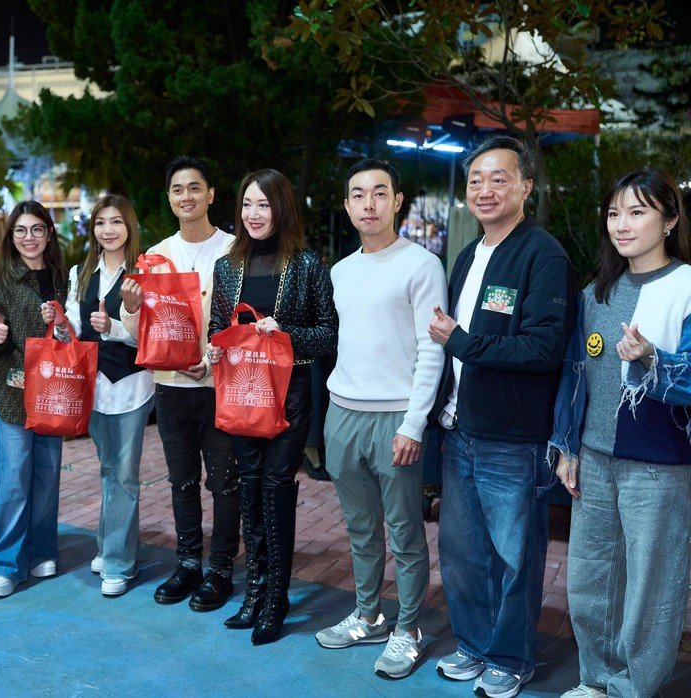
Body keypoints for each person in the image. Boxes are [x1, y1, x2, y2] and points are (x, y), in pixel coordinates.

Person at [550, 170, 691, 698]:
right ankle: (596, 680)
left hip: (657, 462)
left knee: (651, 584)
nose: (622, 224)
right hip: (593, 457)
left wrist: (651, 359)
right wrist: (566, 447)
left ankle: (633, 688)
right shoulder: (594, 292)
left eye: (637, 212)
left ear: (669, 220)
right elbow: (575, 376)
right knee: (589, 578)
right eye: (614, 213)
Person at [427, 135, 575, 698]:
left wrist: (461, 341)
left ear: (525, 187)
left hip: (513, 438)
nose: (485, 190)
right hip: (461, 429)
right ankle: (473, 646)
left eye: (499, 178)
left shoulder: (543, 255)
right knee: (462, 553)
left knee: (515, 556)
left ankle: (512, 658)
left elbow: (543, 348)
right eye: (476, 180)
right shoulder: (469, 254)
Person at [313, 159, 446, 678]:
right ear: (347, 206)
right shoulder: (340, 271)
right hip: (343, 413)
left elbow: (431, 350)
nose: (369, 203)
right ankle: (367, 616)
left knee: (405, 532)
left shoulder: (422, 265)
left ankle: (408, 629)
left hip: (395, 419)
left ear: (397, 201)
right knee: (361, 528)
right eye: (358, 194)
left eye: (379, 193)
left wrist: (414, 423)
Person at [207, 168, 337, 645]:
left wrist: (284, 333)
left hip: (290, 393)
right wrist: (215, 347)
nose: (254, 214)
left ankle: (276, 596)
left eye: (263, 204)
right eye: (247, 204)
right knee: (249, 483)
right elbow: (217, 326)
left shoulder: (307, 264)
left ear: (281, 207)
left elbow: (328, 334)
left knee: (277, 485)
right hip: (242, 389)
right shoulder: (227, 266)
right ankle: (256, 589)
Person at [119, 156, 240, 612]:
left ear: (210, 195)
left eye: (194, 187)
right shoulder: (157, 255)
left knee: (224, 482)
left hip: (221, 387)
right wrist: (131, 306)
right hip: (171, 388)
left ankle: (221, 568)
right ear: (169, 199)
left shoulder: (235, 249)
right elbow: (144, 333)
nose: (186, 196)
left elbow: (244, 321)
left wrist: (210, 360)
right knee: (182, 480)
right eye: (177, 189)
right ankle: (189, 562)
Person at [42, 194, 153, 597]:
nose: (108, 230)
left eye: (116, 222)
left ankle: (120, 562)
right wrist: (59, 322)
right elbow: (73, 325)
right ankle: (109, 546)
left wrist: (115, 328)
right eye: (101, 222)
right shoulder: (81, 271)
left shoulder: (145, 271)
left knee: (124, 474)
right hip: (94, 386)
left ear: (129, 227)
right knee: (109, 470)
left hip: (132, 386)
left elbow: (151, 334)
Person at [0, 200, 67, 598]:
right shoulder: (2, 280)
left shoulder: (62, 277)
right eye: (20, 230)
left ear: (48, 233)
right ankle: (3, 563)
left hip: (54, 392)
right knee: (14, 480)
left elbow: (72, 335)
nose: (28, 237)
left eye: (36, 229)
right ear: (11, 236)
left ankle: (41, 550)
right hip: (14, 394)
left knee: (47, 477)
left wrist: (61, 325)